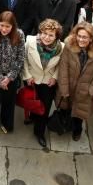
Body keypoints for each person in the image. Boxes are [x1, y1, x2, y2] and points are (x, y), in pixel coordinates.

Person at [56, 21, 93, 141]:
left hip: (84, 92)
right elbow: (63, 68)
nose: (81, 39)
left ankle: (77, 130)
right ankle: (64, 126)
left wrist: (90, 90)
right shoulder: (69, 47)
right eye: (79, 36)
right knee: (65, 109)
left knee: (79, 115)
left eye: (84, 37)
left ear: (91, 38)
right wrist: (64, 89)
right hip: (68, 86)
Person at [23, 19, 64, 148]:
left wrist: (55, 77)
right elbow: (23, 59)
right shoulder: (29, 41)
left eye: (51, 35)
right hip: (32, 79)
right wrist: (27, 76)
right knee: (33, 102)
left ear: (56, 37)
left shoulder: (62, 47)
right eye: (44, 33)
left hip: (48, 82)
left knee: (44, 109)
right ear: (39, 33)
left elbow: (61, 65)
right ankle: (32, 118)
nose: (46, 37)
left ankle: (39, 133)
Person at [0, 11, 26, 134]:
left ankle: (7, 124)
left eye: (7, 26)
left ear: (13, 26)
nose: (4, 29)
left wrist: (9, 77)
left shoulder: (20, 35)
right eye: (2, 25)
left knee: (9, 103)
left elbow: (20, 57)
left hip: (11, 76)